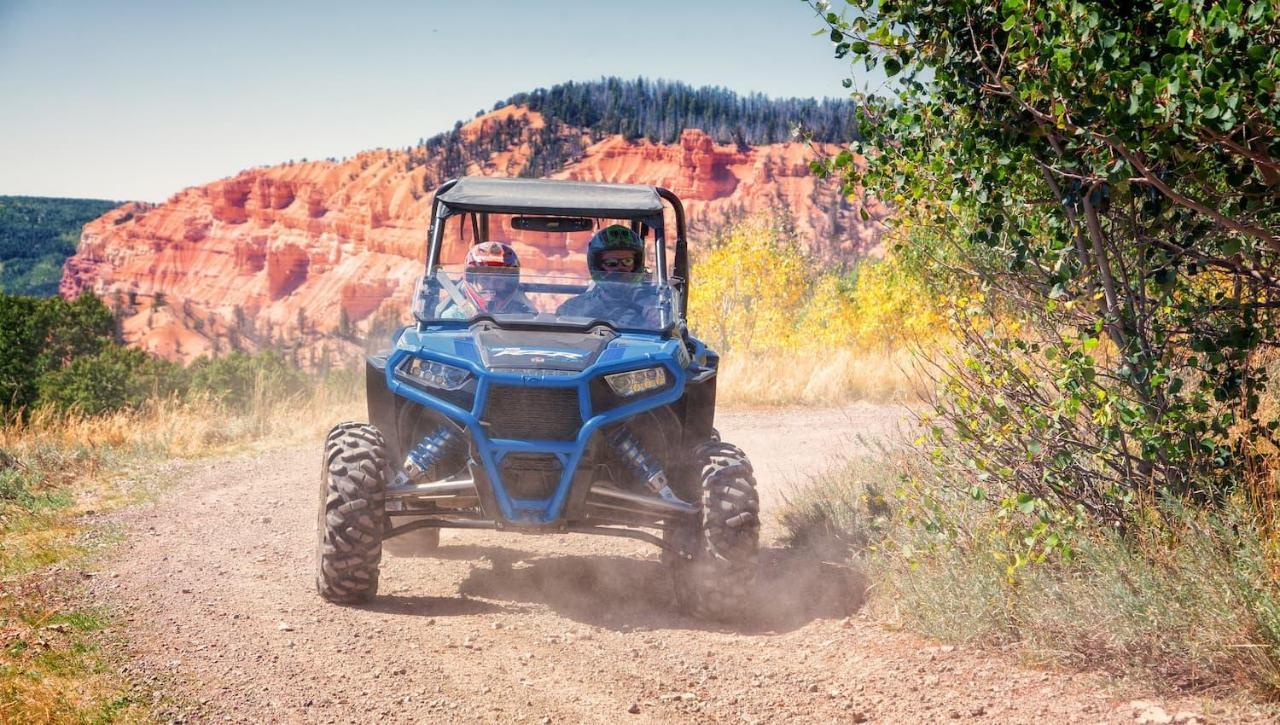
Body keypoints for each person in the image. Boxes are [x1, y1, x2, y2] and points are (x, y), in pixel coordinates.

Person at [557, 224, 658, 325]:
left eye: (627, 261)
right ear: (598, 266)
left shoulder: (657, 307)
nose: (620, 269)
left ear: (635, 265)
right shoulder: (573, 309)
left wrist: (658, 322)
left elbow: (671, 333)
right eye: (611, 263)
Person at [436, 241, 535, 319]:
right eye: (484, 279)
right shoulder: (453, 316)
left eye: (499, 281)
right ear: (472, 281)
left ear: (508, 284)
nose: (491, 286)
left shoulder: (523, 316)